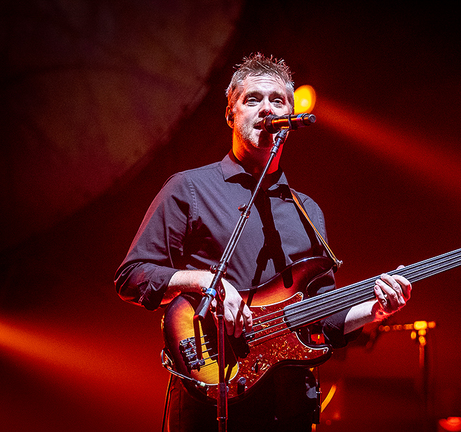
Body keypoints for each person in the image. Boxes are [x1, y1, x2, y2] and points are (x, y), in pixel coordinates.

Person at [114, 53, 412, 432]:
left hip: (291, 408)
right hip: (211, 398)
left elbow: (327, 319)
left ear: (290, 117)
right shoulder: (188, 189)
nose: (266, 108)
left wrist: (376, 309)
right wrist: (205, 282)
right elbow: (132, 276)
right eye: (252, 99)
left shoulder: (308, 211)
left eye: (277, 101)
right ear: (231, 113)